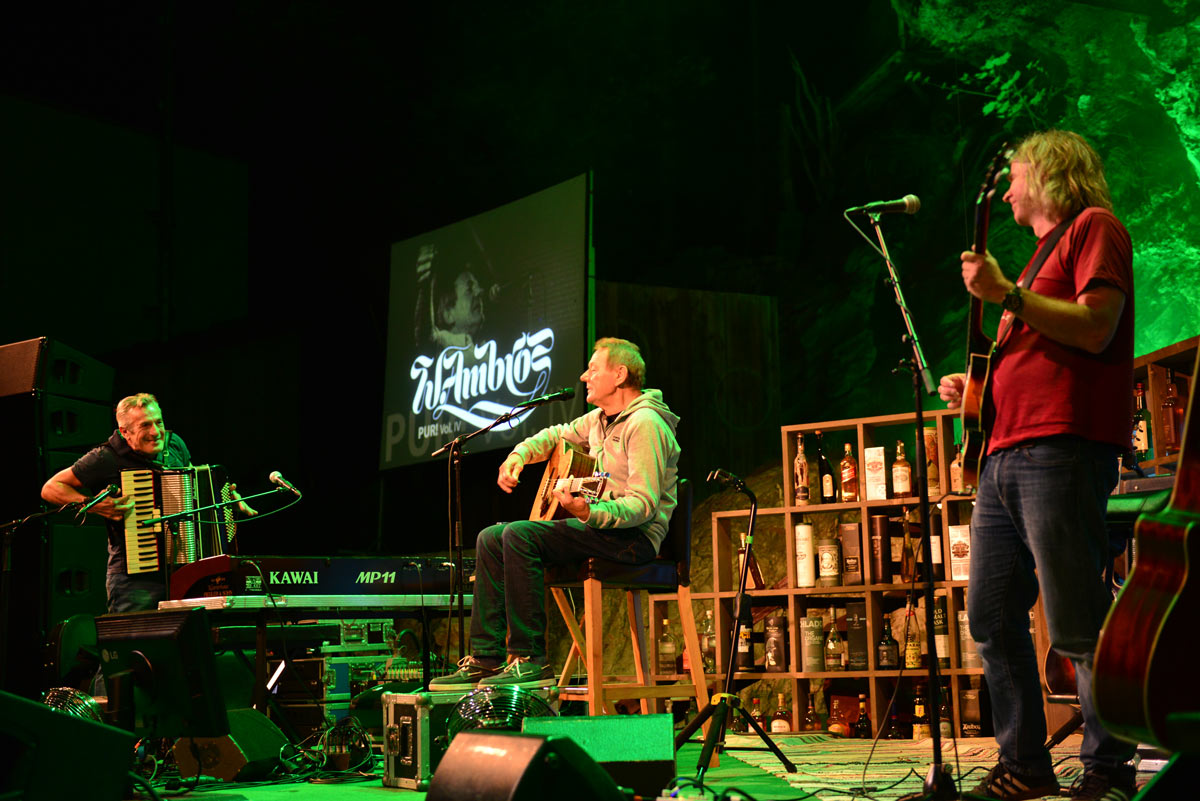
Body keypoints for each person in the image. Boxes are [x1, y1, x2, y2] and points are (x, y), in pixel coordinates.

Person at [939, 131, 1136, 801]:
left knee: (1078, 617)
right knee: (991, 616)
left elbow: (1095, 326)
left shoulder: (1094, 229)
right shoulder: (1032, 264)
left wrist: (1006, 296)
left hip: (1060, 446)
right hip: (1003, 453)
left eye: (1017, 176)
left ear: (1051, 175)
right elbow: (1036, 357)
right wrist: (977, 394)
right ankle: (1024, 763)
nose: (1008, 189)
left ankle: (1108, 768)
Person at [430, 337, 680, 690]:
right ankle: (486, 657)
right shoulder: (598, 421)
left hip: (634, 539)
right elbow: (555, 435)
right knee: (489, 537)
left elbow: (642, 505)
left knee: (519, 534)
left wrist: (588, 511)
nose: (583, 376)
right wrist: (518, 455)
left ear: (620, 374)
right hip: (605, 530)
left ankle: (530, 657)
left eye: (593, 369)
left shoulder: (645, 425)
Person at [40, 393, 255, 614]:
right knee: (135, 646)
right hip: (135, 580)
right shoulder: (105, 457)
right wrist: (92, 504)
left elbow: (195, 485)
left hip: (185, 570)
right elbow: (51, 488)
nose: (155, 432)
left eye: (158, 422)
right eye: (145, 426)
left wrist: (224, 499)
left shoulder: (174, 444)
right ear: (125, 432)